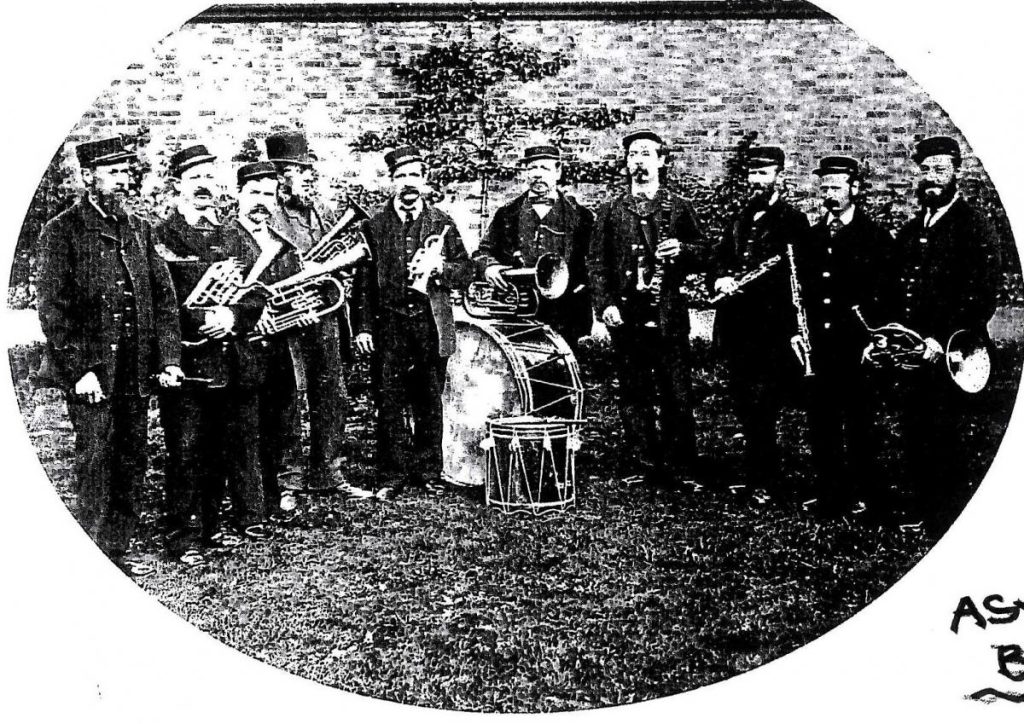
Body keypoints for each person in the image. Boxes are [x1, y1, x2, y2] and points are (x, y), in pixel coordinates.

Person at [36, 135, 184, 576]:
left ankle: (120, 543)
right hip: (93, 374)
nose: (124, 179)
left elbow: (162, 299)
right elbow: (52, 308)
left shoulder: (138, 229)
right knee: (95, 458)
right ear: (88, 178)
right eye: (114, 172)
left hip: (135, 369)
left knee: (131, 455)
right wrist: (79, 369)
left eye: (126, 171)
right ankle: (93, 551)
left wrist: (169, 358)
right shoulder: (61, 231)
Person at [873, 135, 1000, 532]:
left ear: (956, 173)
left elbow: (982, 294)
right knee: (915, 425)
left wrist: (942, 338)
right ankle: (923, 505)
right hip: (915, 351)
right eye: (925, 170)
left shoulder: (974, 225)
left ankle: (949, 514)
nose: (930, 177)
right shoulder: (913, 230)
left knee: (946, 431)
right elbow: (895, 289)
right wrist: (892, 333)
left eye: (939, 170)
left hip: (954, 352)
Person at [155, 143, 274, 559]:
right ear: (177, 186)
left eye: (209, 177)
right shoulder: (159, 235)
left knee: (226, 445)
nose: (204, 186)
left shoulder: (231, 233)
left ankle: (211, 526)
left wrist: (235, 316)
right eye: (195, 179)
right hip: (187, 360)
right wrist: (198, 322)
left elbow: (258, 289)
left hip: (232, 357)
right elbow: (157, 301)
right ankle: (184, 537)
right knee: (187, 449)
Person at [587, 129, 708, 489]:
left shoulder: (679, 206)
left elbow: (706, 252)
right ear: (626, 164)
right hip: (627, 316)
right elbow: (595, 263)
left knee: (677, 392)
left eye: (646, 154)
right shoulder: (610, 211)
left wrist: (683, 251)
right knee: (634, 392)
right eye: (633, 155)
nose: (638, 161)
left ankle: (679, 466)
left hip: (668, 315)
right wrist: (605, 305)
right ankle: (642, 462)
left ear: (661, 161)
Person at [351, 146, 474, 499]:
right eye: (401, 177)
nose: (408, 184)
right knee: (388, 399)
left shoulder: (442, 222)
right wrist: (363, 328)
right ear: (392, 181)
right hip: (388, 323)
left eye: (414, 176)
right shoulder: (373, 226)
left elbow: (466, 271)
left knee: (429, 398)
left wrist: (439, 269)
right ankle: (392, 473)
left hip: (430, 323)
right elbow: (363, 283)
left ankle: (429, 470)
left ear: (425, 179)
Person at [265, 131, 368, 503]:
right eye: (299, 170)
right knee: (289, 399)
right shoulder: (268, 216)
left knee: (333, 394)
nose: (308, 177)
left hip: (324, 317)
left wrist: (337, 270)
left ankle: (329, 472)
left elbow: (335, 260)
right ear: (280, 177)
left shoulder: (320, 214)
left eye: (309, 171)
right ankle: (289, 480)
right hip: (288, 320)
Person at [793, 155, 893, 517]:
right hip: (819, 345)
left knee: (860, 421)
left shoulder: (876, 237)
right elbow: (800, 290)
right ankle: (829, 491)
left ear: (855, 189)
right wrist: (797, 333)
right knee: (822, 420)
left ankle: (865, 493)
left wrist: (876, 338)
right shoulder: (811, 237)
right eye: (824, 188)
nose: (829, 195)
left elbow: (886, 294)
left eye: (836, 187)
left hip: (857, 345)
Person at [711, 145, 811, 494]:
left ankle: (766, 479)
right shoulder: (739, 217)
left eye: (763, 174)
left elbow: (796, 274)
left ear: (779, 177)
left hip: (770, 327)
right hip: (737, 325)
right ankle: (755, 473)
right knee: (743, 400)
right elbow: (720, 256)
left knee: (765, 403)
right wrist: (722, 277)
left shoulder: (793, 221)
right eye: (752, 174)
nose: (756, 181)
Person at [474, 144, 594, 347]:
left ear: (558, 171)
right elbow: (482, 252)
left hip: (567, 315)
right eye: (532, 168)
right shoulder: (507, 214)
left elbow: (595, 262)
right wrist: (490, 267)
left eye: (544, 168)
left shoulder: (581, 216)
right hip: (516, 312)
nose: (537, 174)